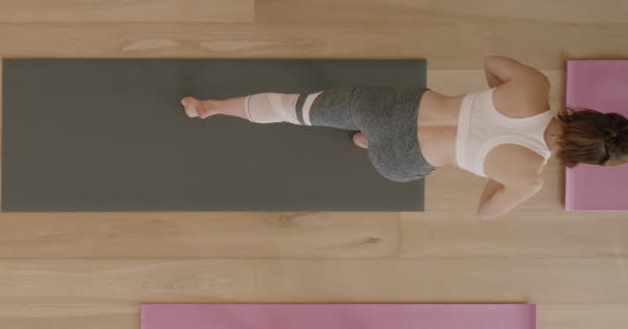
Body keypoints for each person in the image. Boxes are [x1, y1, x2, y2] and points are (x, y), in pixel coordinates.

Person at [181, 55, 628, 219]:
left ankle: (212, 107)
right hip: (398, 159)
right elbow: (487, 211)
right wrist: (497, 176)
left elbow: (494, 62)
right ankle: (365, 142)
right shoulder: (529, 177)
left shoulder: (533, 86)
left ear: (588, 114)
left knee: (296, 108)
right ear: (582, 158)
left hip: (398, 107)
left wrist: (490, 99)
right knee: (374, 147)